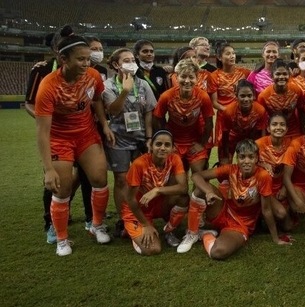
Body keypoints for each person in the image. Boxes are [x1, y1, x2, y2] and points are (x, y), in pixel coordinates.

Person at [35, 33, 114, 256]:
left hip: (87, 135)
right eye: (80, 59)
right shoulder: (48, 86)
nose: (86, 63)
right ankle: (62, 239)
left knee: (99, 179)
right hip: (60, 139)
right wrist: (48, 169)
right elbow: (42, 132)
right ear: (63, 59)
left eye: (88, 59)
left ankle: (96, 225)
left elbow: (97, 100)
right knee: (62, 188)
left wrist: (105, 125)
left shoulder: (93, 76)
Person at [185, 139, 292, 259]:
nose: (246, 161)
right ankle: (192, 233)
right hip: (224, 210)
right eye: (242, 157)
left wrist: (276, 238)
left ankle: (206, 235)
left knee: (218, 252)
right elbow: (196, 176)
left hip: (242, 223)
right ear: (237, 158)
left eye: (251, 157)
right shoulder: (231, 169)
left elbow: (266, 210)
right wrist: (209, 192)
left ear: (256, 159)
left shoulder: (263, 176)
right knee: (200, 189)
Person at [103, 47, 157, 239]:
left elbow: (149, 112)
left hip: (140, 139)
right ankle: (123, 218)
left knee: (140, 180)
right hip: (118, 139)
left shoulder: (143, 84)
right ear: (116, 65)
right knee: (121, 180)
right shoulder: (108, 85)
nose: (131, 63)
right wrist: (125, 90)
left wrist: (149, 137)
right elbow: (113, 110)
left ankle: (141, 214)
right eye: (126, 60)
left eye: (132, 59)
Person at [122, 130, 190, 255]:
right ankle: (133, 229)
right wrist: (145, 224)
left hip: (157, 204)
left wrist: (157, 190)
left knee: (183, 198)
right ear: (151, 146)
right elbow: (130, 199)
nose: (162, 148)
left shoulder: (175, 159)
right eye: (158, 144)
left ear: (172, 148)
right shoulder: (139, 164)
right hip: (137, 209)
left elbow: (183, 188)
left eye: (167, 145)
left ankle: (169, 230)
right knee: (153, 249)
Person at [153, 59, 213, 174]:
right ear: (176, 77)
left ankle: (196, 193)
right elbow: (157, 119)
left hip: (194, 142)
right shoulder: (166, 96)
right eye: (183, 76)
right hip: (174, 142)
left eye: (191, 77)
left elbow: (209, 123)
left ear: (197, 78)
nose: (187, 81)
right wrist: (168, 142)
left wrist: (202, 144)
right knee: (177, 177)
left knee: (199, 174)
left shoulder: (203, 97)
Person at [256, 113, 294, 230]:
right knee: (281, 214)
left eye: (282, 125)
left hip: (279, 186)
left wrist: (284, 188)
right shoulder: (258, 144)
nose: (278, 127)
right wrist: (262, 164)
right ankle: (261, 215)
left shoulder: (291, 144)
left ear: (287, 129)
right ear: (268, 128)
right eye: (274, 124)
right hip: (263, 187)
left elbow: (292, 169)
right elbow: (246, 165)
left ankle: (267, 216)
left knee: (288, 227)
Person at [218, 79, 267, 164]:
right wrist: (225, 155)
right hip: (232, 138)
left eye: (249, 95)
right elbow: (225, 135)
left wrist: (260, 153)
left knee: (254, 164)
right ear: (236, 96)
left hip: (251, 138)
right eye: (242, 96)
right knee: (225, 165)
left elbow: (260, 135)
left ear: (254, 96)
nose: (246, 99)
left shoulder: (260, 110)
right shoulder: (228, 111)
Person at [257, 59, 304, 139]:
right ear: (272, 76)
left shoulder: (297, 90)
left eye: (284, 74)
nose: (281, 77)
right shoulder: (263, 96)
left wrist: (303, 134)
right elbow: (262, 122)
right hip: (274, 132)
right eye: (278, 74)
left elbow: (301, 113)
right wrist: (264, 139)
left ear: (289, 75)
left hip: (294, 132)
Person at [208, 42, 251, 111]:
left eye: (233, 53)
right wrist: (228, 111)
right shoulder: (214, 76)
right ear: (219, 57)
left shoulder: (245, 73)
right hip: (224, 116)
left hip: (242, 115)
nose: (232, 56)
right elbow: (214, 102)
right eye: (228, 54)